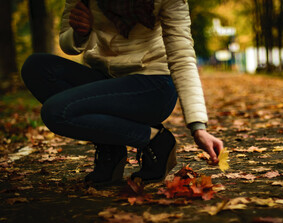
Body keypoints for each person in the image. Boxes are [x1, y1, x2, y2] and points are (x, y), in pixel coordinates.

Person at [21, 0, 223, 185]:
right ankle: (111, 147)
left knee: (57, 111)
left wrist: (198, 127)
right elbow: (68, 45)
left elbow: (182, 58)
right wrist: (80, 33)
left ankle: (155, 140)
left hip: (152, 85)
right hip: (106, 79)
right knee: (37, 67)